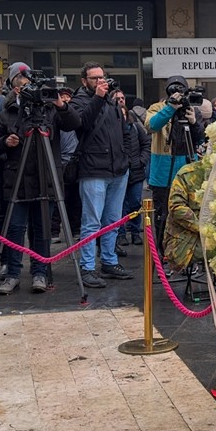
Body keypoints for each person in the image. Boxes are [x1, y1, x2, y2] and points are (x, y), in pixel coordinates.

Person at [0, 63, 81, 294]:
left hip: (46, 178)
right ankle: (13, 274)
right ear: (17, 91)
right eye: (25, 86)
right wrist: (4, 143)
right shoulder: (7, 115)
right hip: (16, 180)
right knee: (15, 229)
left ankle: (40, 272)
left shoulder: (50, 110)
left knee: (42, 229)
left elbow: (75, 123)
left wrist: (59, 103)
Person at [69, 62, 131, 288]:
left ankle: (109, 261)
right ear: (84, 81)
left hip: (118, 169)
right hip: (93, 169)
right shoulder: (80, 101)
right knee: (91, 222)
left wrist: (126, 159)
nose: (100, 81)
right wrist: (97, 97)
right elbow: (81, 123)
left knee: (113, 220)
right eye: (94, 78)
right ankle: (87, 267)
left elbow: (124, 131)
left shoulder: (112, 101)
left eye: (102, 77)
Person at [145, 75, 205, 251]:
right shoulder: (157, 108)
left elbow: (200, 139)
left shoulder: (192, 109)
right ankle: (163, 253)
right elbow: (151, 126)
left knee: (189, 216)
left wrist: (194, 122)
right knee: (163, 216)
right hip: (163, 173)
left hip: (188, 169)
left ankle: (188, 254)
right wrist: (170, 108)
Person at [115, 89, 151, 249]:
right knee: (120, 205)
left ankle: (136, 232)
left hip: (136, 172)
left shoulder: (135, 127)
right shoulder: (112, 129)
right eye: (118, 99)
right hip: (119, 172)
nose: (121, 100)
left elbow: (146, 144)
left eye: (123, 98)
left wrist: (141, 161)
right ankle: (121, 234)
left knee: (136, 202)